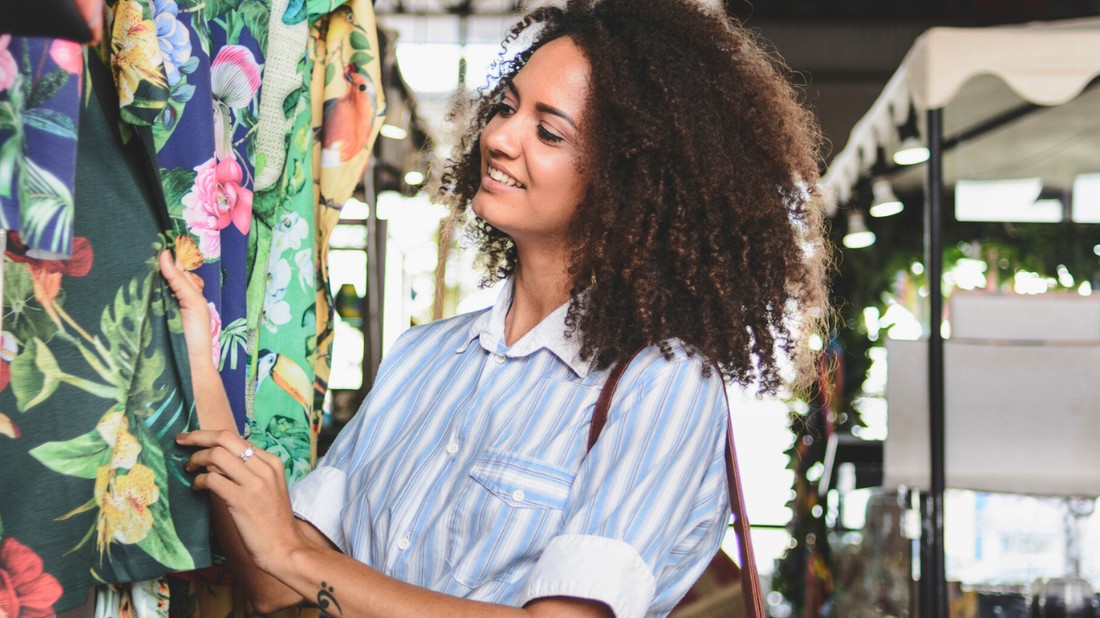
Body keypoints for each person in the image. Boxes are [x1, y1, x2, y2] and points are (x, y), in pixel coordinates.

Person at [162, 0, 829, 616]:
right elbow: (275, 583)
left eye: (549, 132)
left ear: (629, 180)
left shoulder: (662, 383)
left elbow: (295, 562)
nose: (502, 137)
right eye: (507, 106)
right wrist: (200, 362)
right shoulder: (423, 358)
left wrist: (295, 555)